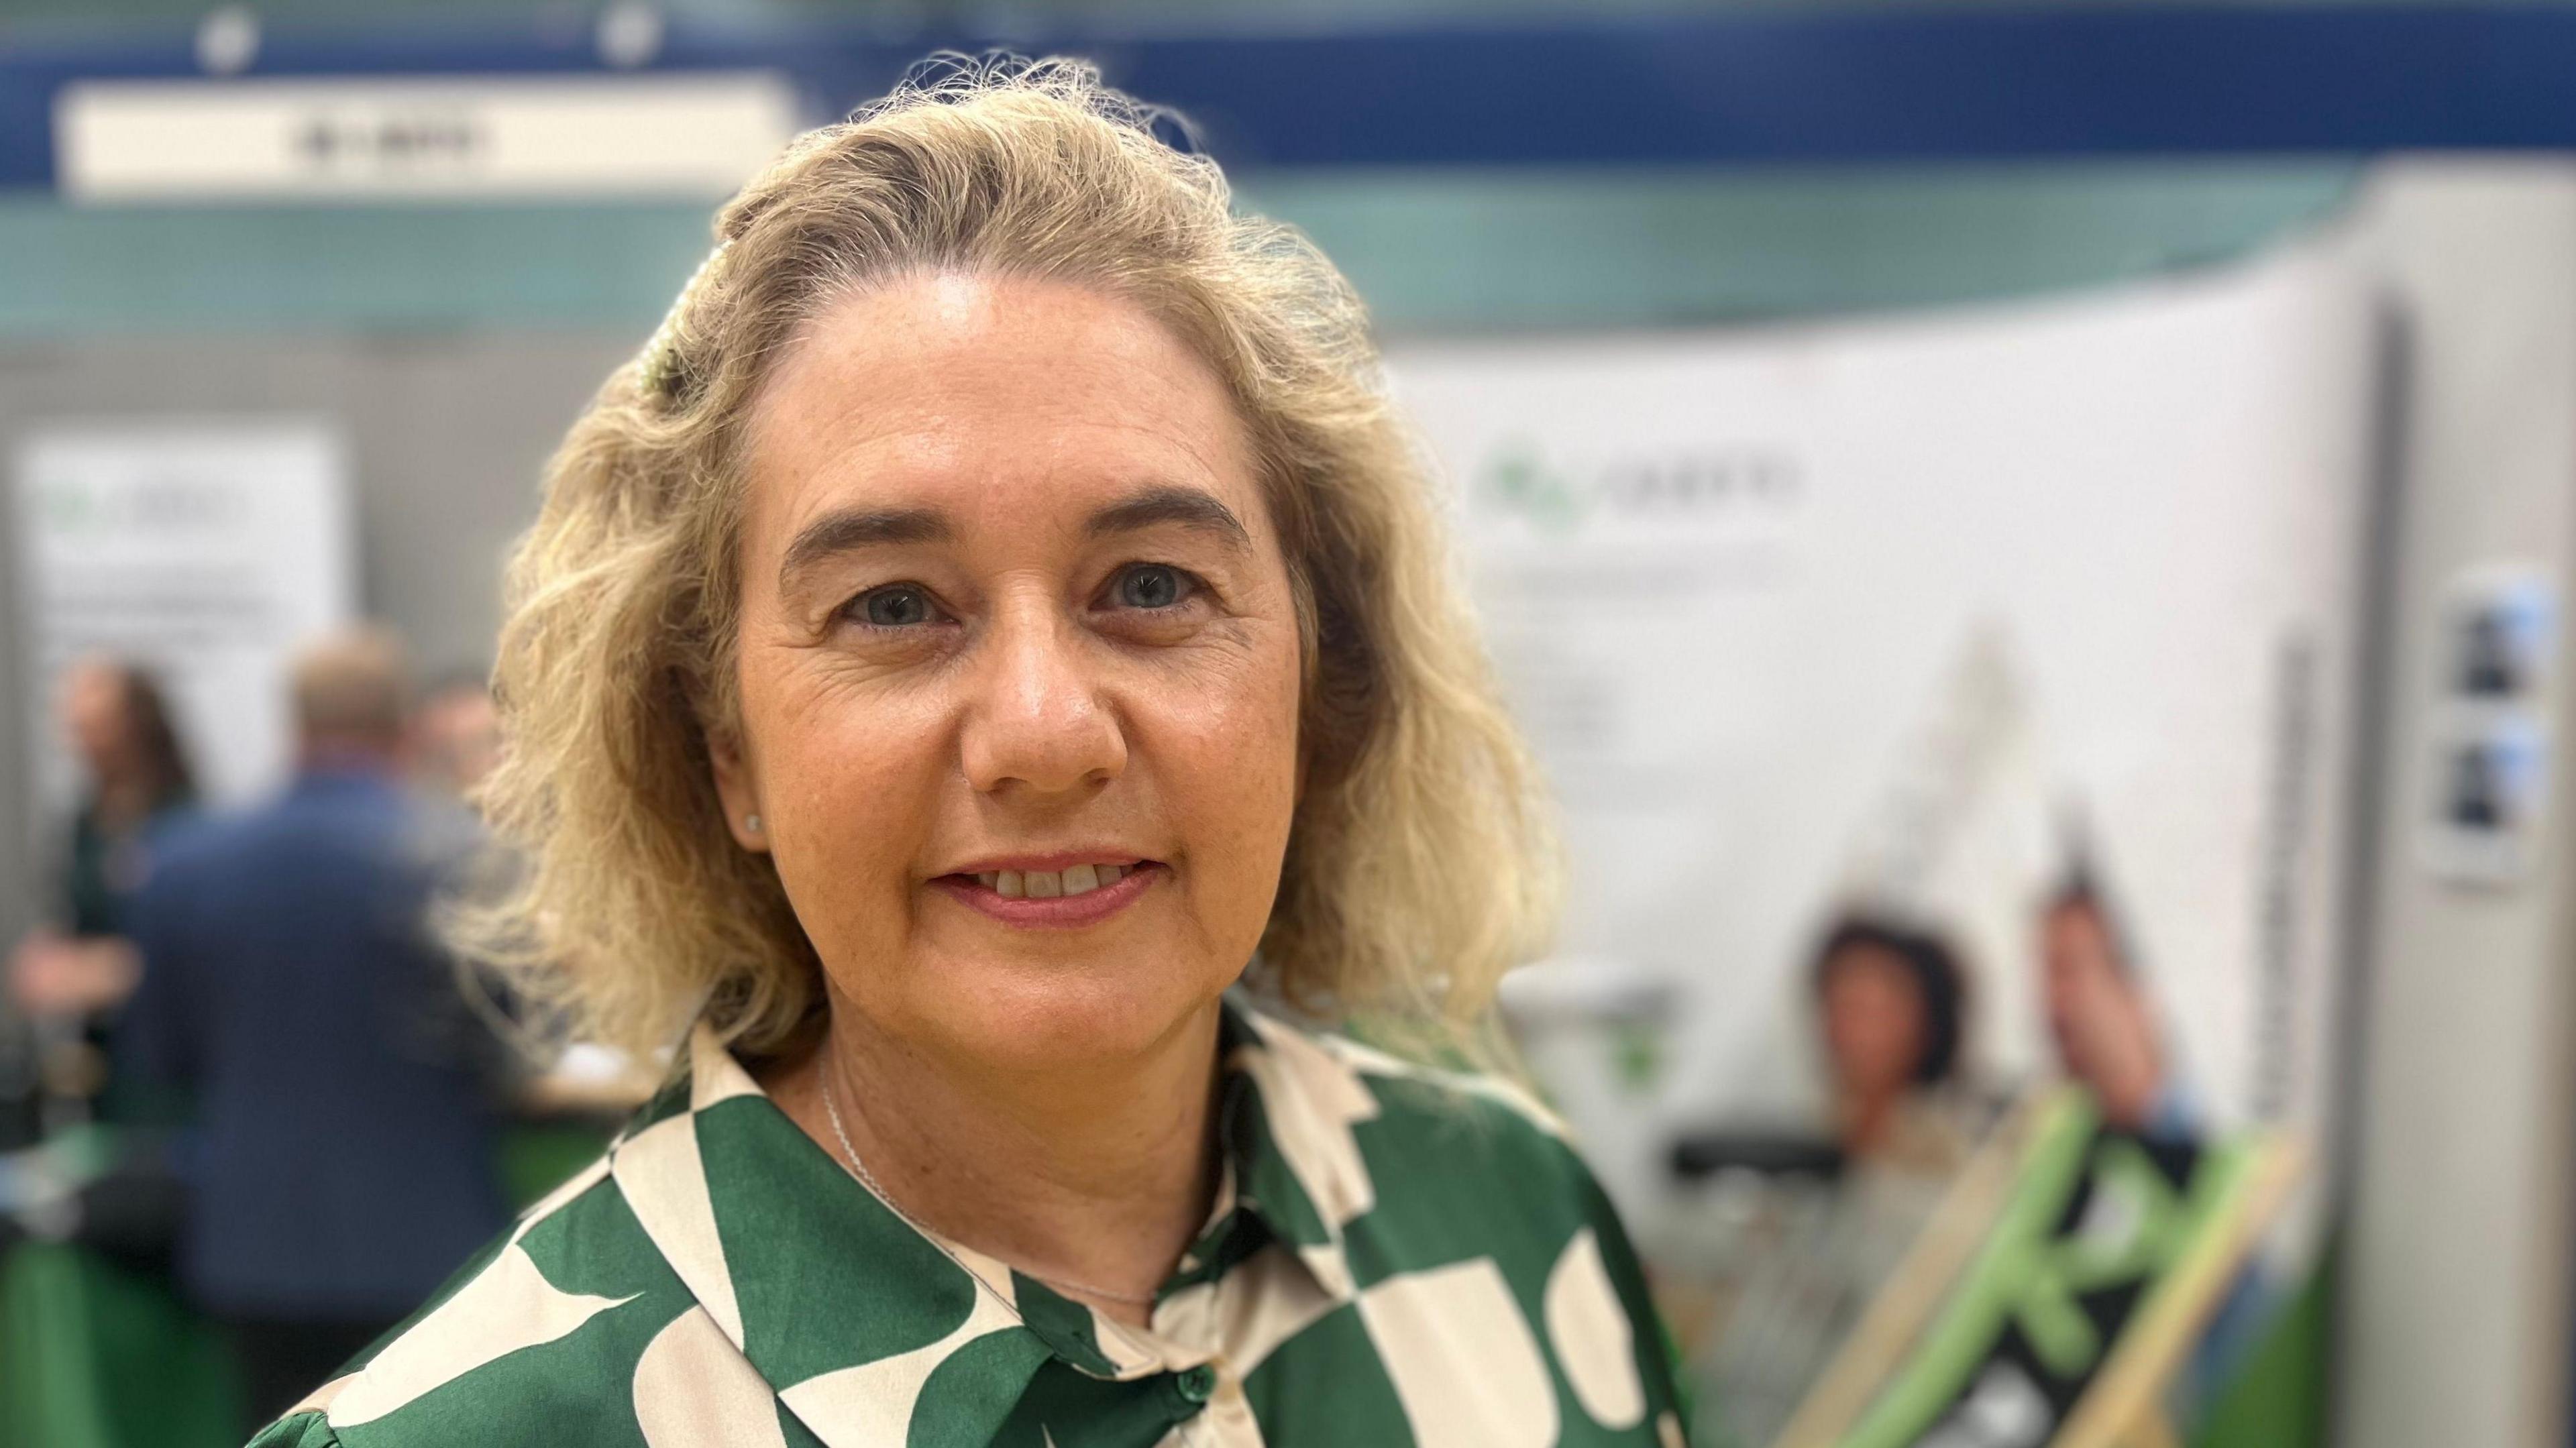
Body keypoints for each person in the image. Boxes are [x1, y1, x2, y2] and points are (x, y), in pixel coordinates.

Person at [249, 58, 1687, 1448]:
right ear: (724, 748)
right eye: (891, 607)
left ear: (1322, 676)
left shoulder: (1510, 1206)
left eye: (1150, 583)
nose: (1046, 734)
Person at [122, 629, 508, 1430]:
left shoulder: (185, 863)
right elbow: (506, 1044)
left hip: (255, 1244)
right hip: (428, 1239)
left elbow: (158, 1057)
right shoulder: (460, 860)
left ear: (292, 726)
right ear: (404, 729)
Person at [7, 658, 199, 1119]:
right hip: (100, 1062)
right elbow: (75, 915)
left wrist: (109, 971)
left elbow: (201, 951)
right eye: (76, 728)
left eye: (97, 727)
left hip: (170, 1067)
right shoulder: (84, 824)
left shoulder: (186, 825)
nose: (83, 743)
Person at [1811, 916, 1971, 1170]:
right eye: (1837, 1008)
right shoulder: (1816, 1137)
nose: (1847, 1032)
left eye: (1868, 1012)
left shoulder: (1944, 1156)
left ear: (1925, 1027)